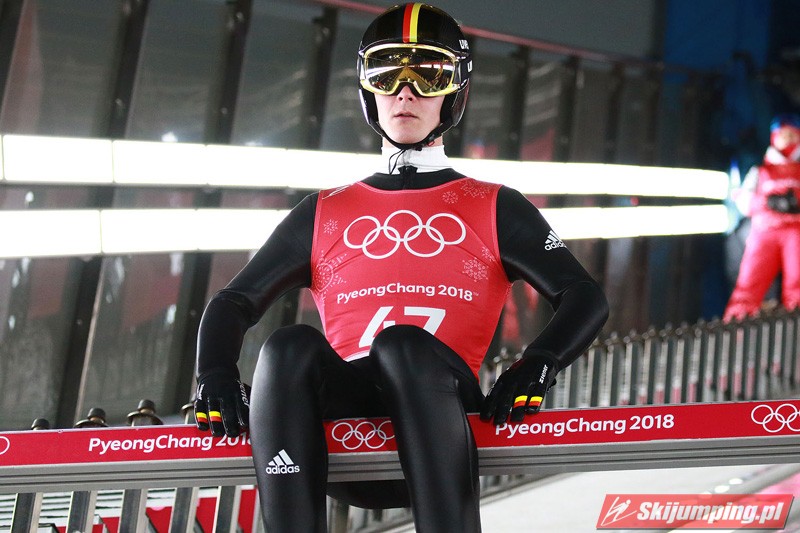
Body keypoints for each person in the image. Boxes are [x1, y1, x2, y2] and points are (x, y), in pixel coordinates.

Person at [192, 3, 608, 531]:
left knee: (401, 343)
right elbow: (233, 302)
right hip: (343, 426)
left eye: (428, 74)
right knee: (286, 346)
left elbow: (582, 294)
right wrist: (214, 375)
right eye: (387, 74)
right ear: (368, 89)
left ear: (454, 91)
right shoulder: (325, 210)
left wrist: (538, 363)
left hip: (444, 415)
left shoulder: (493, 204)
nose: (405, 92)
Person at [724, 114, 800, 321]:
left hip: (795, 234)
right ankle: (736, 327)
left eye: (793, 135)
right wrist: (768, 202)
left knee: (797, 285)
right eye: (784, 135)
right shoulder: (760, 171)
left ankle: (795, 329)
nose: (788, 139)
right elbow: (743, 202)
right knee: (749, 284)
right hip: (764, 232)